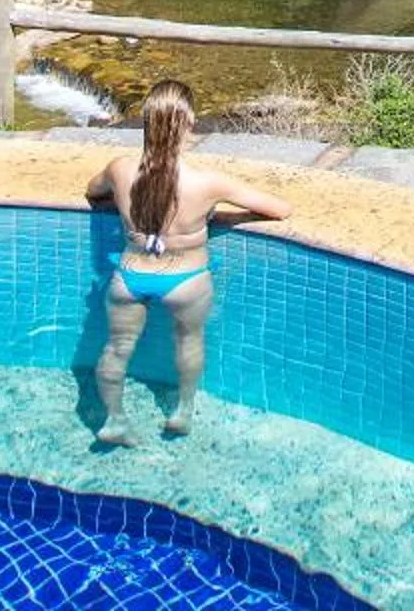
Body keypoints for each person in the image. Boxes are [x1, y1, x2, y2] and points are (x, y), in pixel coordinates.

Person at [83, 80, 291, 443]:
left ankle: (113, 420)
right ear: (190, 121)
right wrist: (222, 218)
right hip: (186, 279)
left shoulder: (120, 169)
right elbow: (279, 209)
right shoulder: (207, 183)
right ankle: (182, 410)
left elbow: (92, 190)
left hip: (130, 276)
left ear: (146, 122)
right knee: (188, 341)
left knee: (116, 349)